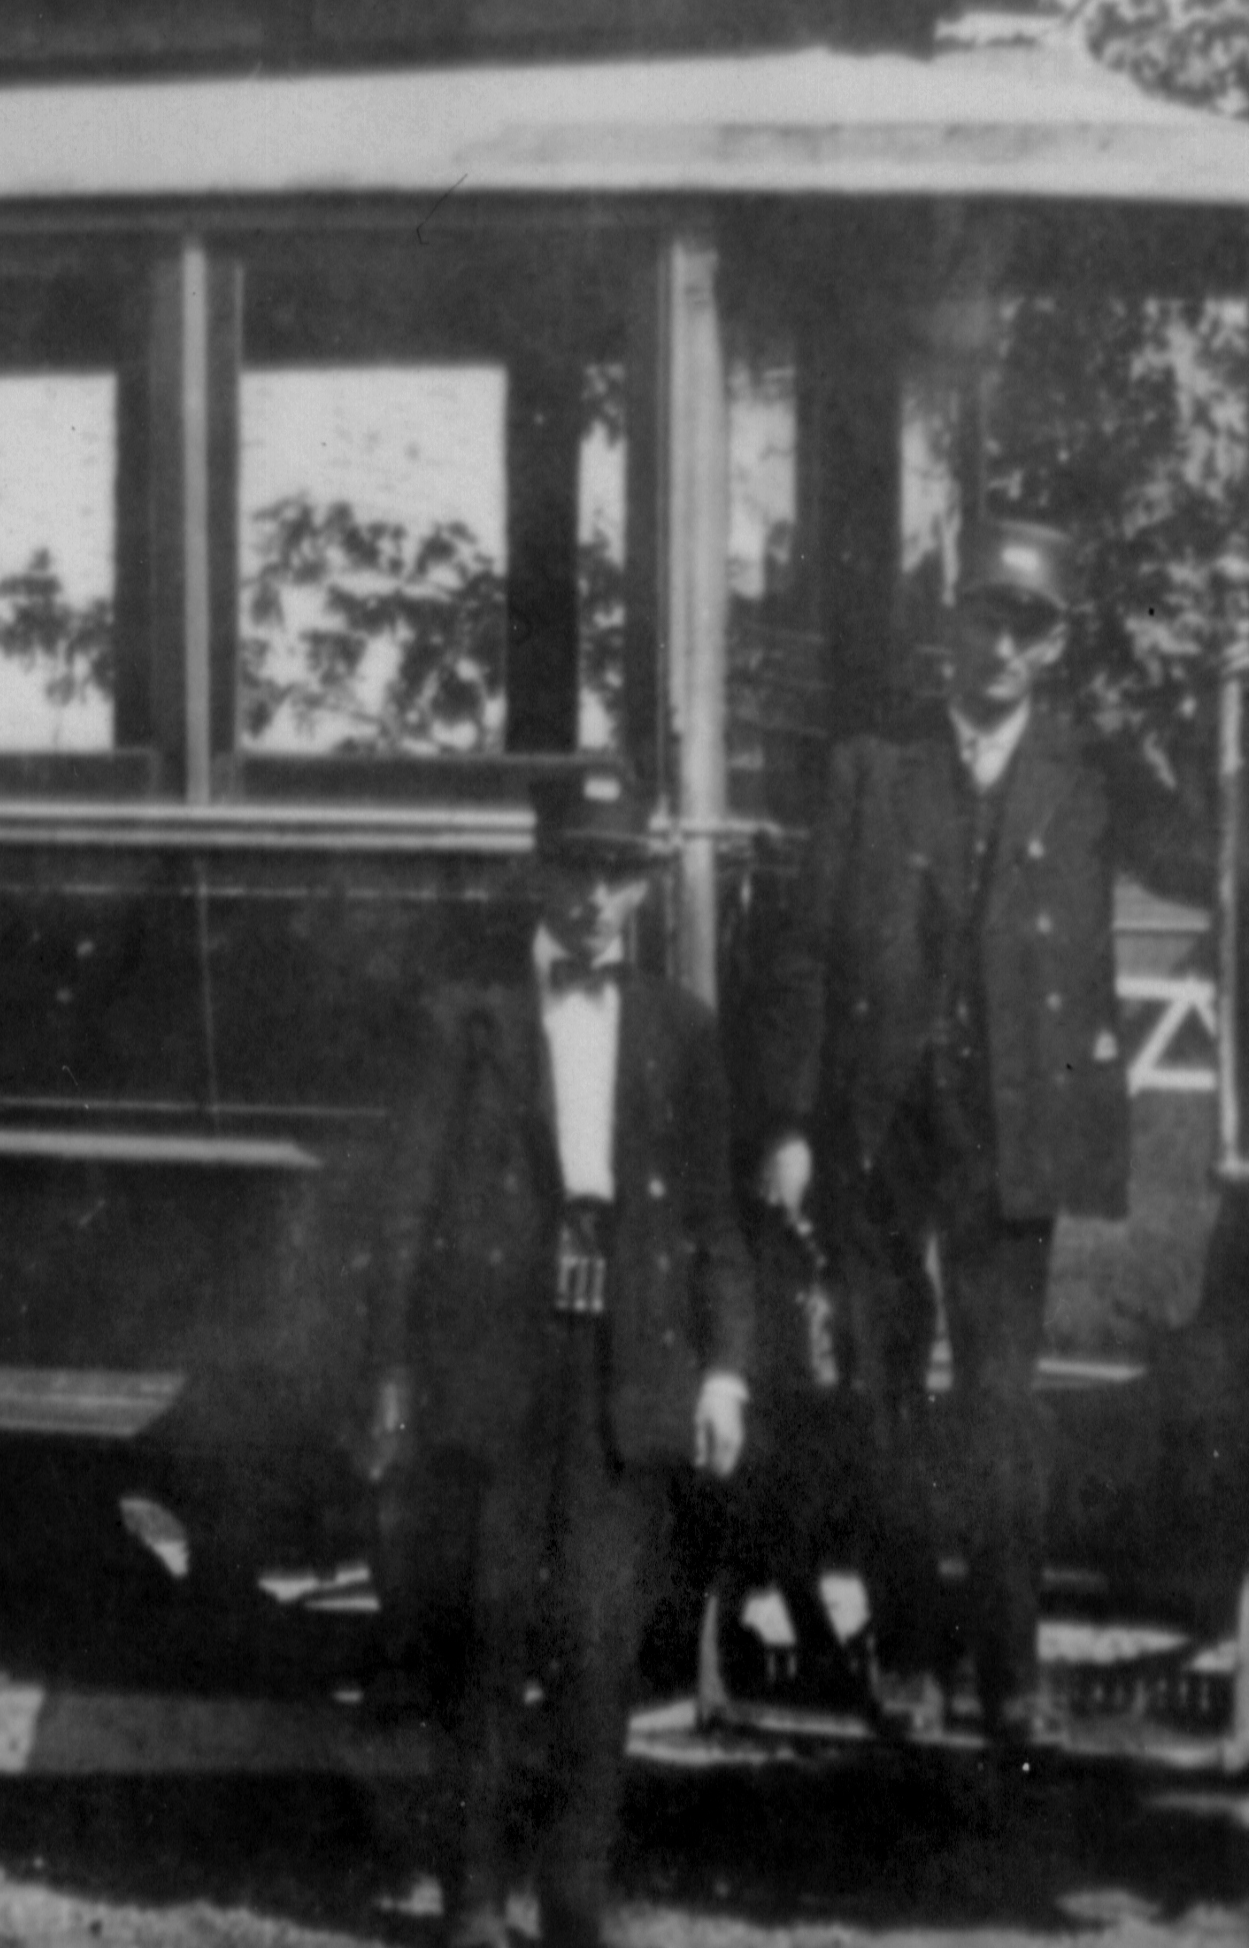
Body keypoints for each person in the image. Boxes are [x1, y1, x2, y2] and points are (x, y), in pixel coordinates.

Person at [743, 515, 1129, 1762]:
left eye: (1028, 627)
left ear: (1054, 646)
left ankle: (1011, 1674)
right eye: (984, 619)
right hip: (876, 1129)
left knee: (1000, 1404)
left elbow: (1179, 874)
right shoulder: (872, 770)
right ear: (951, 627)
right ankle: (906, 1655)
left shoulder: (1086, 781)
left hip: (1006, 1136)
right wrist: (791, 1123)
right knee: (883, 1394)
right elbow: (805, 954)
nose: (1001, 646)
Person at [362, 768, 752, 1948]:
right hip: (491, 1360)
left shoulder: (681, 1029)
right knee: (482, 1631)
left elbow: (713, 1220)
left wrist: (724, 1371)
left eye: (616, 873)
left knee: (597, 1642)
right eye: (576, 867)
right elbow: (404, 1211)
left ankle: (576, 1903)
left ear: (643, 887)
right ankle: (474, 1897)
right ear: (538, 871)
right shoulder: (462, 1017)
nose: (593, 897)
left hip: (624, 1369)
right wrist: (391, 1378)